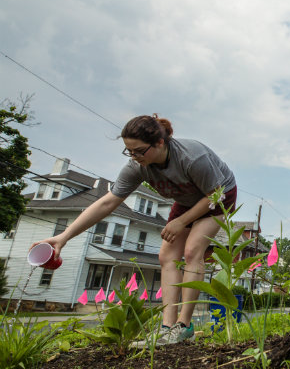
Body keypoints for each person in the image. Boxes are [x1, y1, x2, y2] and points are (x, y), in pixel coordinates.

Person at [30, 114, 237, 344]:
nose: (135, 157)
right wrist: (64, 237)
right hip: (187, 200)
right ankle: (167, 328)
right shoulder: (137, 167)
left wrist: (181, 221)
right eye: (129, 151)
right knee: (166, 255)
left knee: (192, 251)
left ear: (160, 142)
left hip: (219, 196)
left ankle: (184, 326)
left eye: (139, 151)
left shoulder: (192, 157)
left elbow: (215, 194)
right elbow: (107, 202)